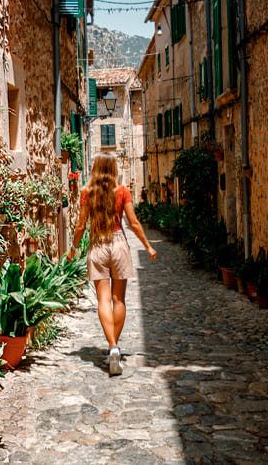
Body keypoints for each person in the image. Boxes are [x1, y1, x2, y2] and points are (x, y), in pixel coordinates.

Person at [66, 153, 157, 376]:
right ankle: (113, 347)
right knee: (119, 299)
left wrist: (73, 248)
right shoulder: (122, 191)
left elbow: (80, 225)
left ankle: (112, 346)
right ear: (113, 168)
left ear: (95, 168)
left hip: (97, 244)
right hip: (118, 243)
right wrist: (147, 246)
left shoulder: (87, 192)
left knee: (103, 299)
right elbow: (133, 223)